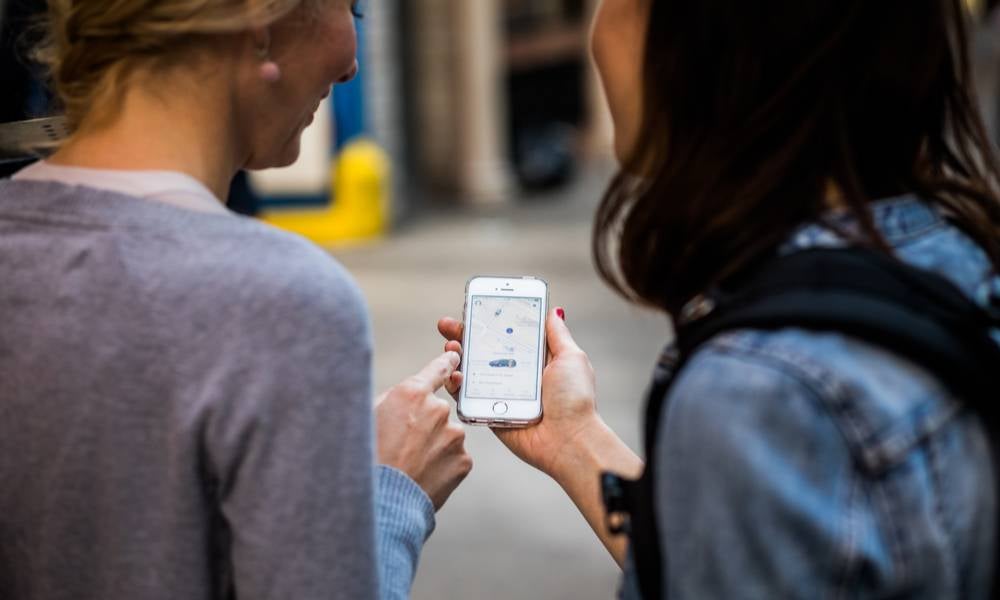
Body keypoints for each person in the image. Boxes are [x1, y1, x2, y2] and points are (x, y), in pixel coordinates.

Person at [439, 0, 1000, 597]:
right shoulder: (960, 261)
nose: (599, 28)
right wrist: (574, 440)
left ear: (698, 43)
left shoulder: (758, 395)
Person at [0, 1, 471, 599]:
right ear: (259, 22)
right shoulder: (284, 303)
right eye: (349, 7)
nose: (352, 65)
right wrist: (391, 493)